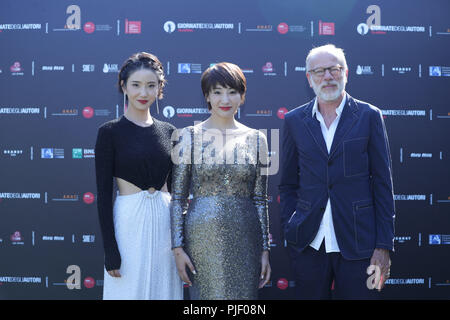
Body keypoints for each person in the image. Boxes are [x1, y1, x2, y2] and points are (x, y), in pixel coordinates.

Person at [279, 44, 395, 299]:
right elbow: (287, 184)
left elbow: (383, 184)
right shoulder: (294, 121)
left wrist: (383, 245)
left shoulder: (369, 116)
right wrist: (291, 227)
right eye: (319, 71)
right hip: (309, 243)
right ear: (309, 79)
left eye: (334, 69)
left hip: (360, 244)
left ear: (346, 73)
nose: (328, 77)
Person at [170, 62, 271, 299]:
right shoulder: (189, 137)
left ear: (242, 97)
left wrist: (265, 250)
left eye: (232, 91)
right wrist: (178, 247)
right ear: (207, 96)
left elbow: (260, 199)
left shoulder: (258, 140)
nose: (225, 99)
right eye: (217, 92)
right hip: (201, 240)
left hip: (247, 239)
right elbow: (178, 198)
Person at [95, 52, 183, 300]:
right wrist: (110, 250)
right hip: (128, 224)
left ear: (159, 89)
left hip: (165, 225)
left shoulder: (170, 131)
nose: (143, 93)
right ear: (123, 86)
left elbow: (177, 193)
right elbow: (103, 196)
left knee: (164, 290)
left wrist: (179, 242)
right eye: (136, 85)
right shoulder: (109, 132)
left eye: (151, 85)